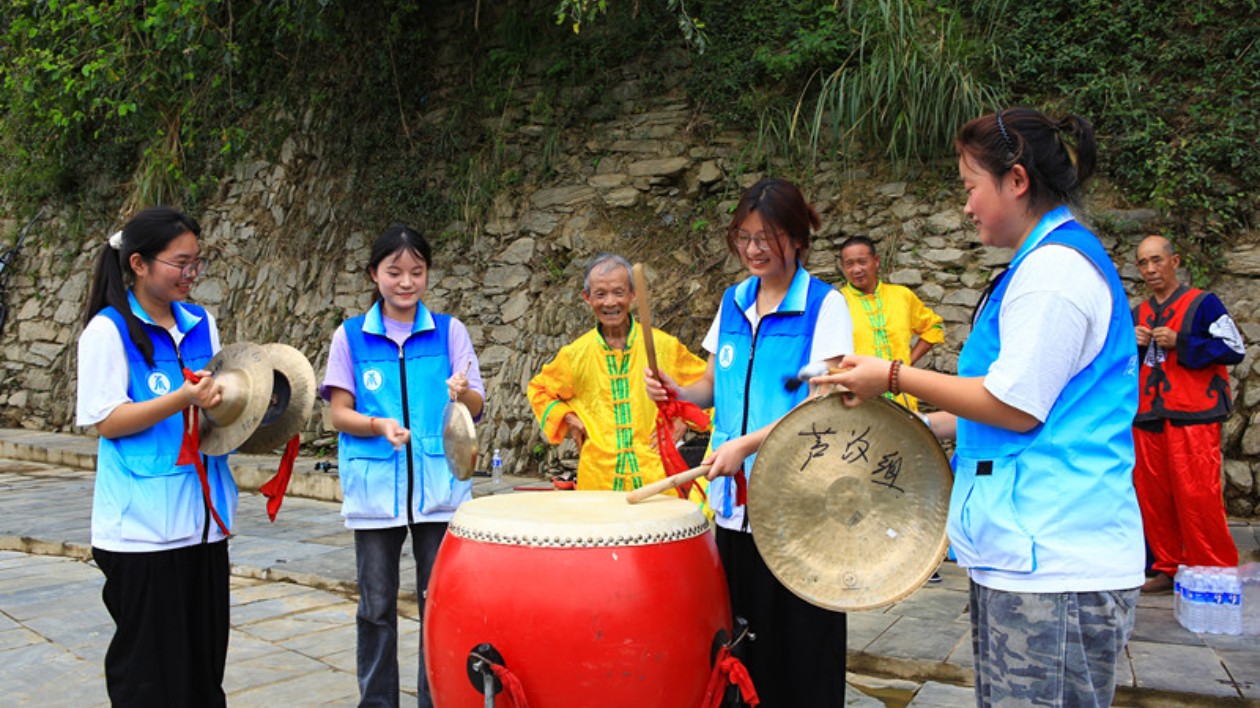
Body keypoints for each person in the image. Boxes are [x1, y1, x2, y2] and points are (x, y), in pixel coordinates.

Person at [820, 108, 1145, 707]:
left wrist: (890, 375)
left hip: (1058, 562)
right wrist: (906, 427)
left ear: (1016, 181)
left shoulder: (1054, 275)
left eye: (971, 186)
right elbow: (1007, 410)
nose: (966, 206)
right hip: (1022, 556)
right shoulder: (1038, 266)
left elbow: (1013, 406)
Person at [647, 178, 853, 706]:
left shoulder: (824, 307)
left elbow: (821, 405)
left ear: (799, 237)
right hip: (733, 510)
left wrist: (746, 445)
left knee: (802, 652)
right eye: (745, 236)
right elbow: (713, 386)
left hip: (797, 510)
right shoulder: (734, 300)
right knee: (742, 648)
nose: (754, 249)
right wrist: (676, 390)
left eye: (769, 236)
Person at [76, 206, 234, 706]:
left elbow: (213, 406)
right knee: (149, 677)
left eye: (197, 263)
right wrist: (182, 399)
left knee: (202, 673)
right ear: (139, 264)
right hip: (142, 532)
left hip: (204, 522)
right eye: (180, 263)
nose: (191, 274)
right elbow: (107, 419)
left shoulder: (200, 323)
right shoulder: (108, 330)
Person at [321, 224, 484, 708]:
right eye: (394, 272)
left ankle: (436, 699)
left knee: (440, 606)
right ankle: (377, 702)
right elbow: (338, 412)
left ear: (427, 274)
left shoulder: (451, 332)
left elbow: (475, 406)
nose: (406, 282)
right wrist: (377, 425)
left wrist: (463, 390)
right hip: (375, 491)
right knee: (375, 608)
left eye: (416, 271)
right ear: (375, 274)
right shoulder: (350, 336)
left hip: (440, 491)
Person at [527, 253, 709, 493]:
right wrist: (570, 418)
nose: (610, 302)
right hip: (598, 482)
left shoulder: (663, 346)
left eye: (619, 292)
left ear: (632, 295)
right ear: (587, 298)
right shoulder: (575, 354)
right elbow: (539, 390)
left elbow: (714, 386)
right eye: (600, 294)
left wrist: (681, 420)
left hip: (656, 479)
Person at [1132, 234, 1244, 593]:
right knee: (1153, 496)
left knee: (1198, 497)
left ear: (1174, 262)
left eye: (1157, 260)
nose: (1150, 269)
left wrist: (1180, 341)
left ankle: (1214, 571)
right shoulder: (1138, 313)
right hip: (1148, 415)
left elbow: (1233, 348)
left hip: (1194, 413)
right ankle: (1167, 567)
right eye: (1143, 263)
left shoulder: (1204, 304)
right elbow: (1119, 368)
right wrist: (1129, 345)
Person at [837, 235, 944, 411]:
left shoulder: (902, 296)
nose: (856, 269)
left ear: (876, 261)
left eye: (862, 262)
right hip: (859, 399)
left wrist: (908, 362)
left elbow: (934, 327)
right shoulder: (837, 301)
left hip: (901, 396)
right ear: (843, 267)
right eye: (849, 264)